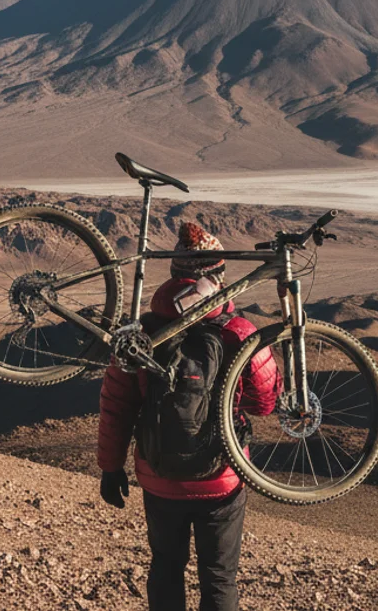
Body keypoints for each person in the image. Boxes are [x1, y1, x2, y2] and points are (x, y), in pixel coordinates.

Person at [97, 222, 282, 611]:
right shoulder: (239, 332)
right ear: (218, 277)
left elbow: (117, 405)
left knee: (166, 566)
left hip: (159, 476)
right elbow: (265, 403)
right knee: (218, 577)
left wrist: (110, 468)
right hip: (222, 479)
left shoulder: (142, 334)